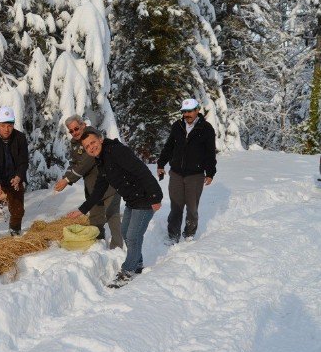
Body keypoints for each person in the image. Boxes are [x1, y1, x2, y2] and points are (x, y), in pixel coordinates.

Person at [67, 129, 163, 288]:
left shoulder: (116, 151)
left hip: (145, 198)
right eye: (87, 146)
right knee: (125, 232)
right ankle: (137, 263)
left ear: (100, 139)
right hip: (132, 200)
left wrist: (155, 197)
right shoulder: (101, 160)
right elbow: (99, 188)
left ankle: (127, 271)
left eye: (93, 142)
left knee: (132, 236)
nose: (91, 147)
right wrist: (82, 209)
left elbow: (142, 170)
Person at [53, 115, 123, 249]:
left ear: (83, 125)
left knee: (112, 216)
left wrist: (67, 180)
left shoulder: (92, 136)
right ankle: (98, 245)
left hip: (109, 185)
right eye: (71, 131)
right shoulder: (74, 143)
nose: (74, 132)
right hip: (92, 188)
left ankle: (117, 248)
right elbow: (74, 163)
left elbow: (87, 162)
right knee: (95, 219)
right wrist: (65, 177)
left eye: (76, 128)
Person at [156, 98, 216, 243]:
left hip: (195, 175)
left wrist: (210, 172)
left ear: (197, 111)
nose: (187, 115)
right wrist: (161, 164)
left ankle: (189, 234)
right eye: (184, 112)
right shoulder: (177, 126)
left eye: (190, 111)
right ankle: (173, 236)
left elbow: (210, 153)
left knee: (192, 208)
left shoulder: (206, 128)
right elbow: (169, 146)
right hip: (176, 172)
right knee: (176, 207)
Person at [0, 106, 29, 238]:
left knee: (18, 210)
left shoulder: (20, 138)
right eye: (3, 125)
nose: (6, 129)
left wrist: (19, 176)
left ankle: (15, 232)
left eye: (10, 125)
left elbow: (23, 161)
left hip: (14, 179)